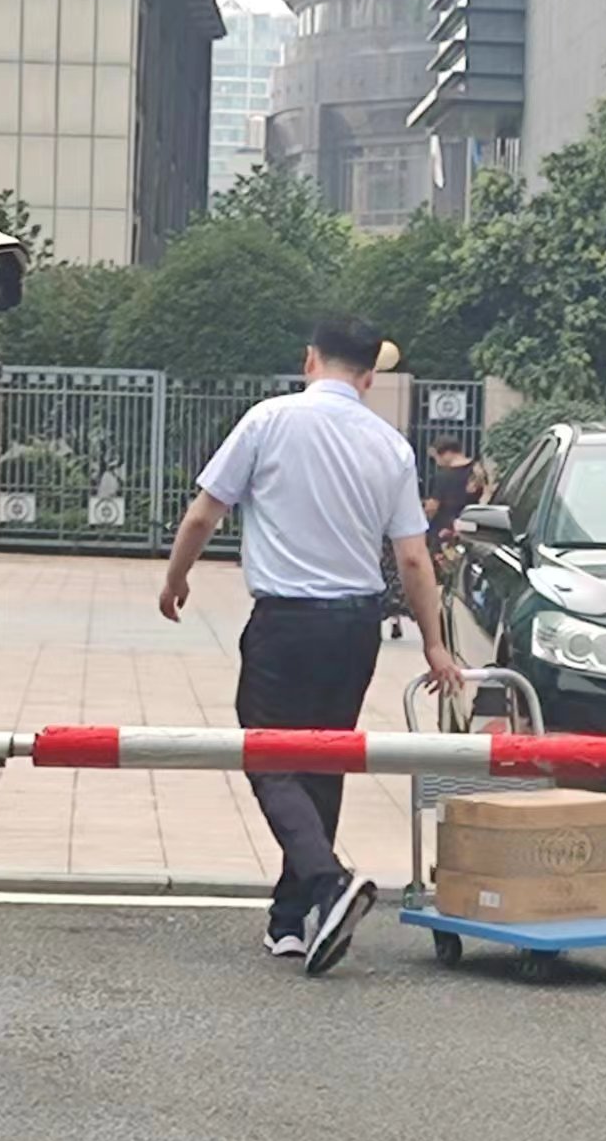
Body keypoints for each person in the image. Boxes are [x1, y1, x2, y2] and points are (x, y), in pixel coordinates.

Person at [160, 317, 463, 977]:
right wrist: (435, 644)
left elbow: (205, 512)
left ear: (309, 361)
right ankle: (291, 921)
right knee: (323, 762)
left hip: (285, 621)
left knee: (269, 757)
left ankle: (327, 883)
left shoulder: (268, 421)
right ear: (369, 377)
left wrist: (176, 577)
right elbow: (413, 559)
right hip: (355, 627)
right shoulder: (390, 446)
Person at [424, 437, 480, 558]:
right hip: (471, 527)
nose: (437, 462)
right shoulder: (477, 471)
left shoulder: (443, 476)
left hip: (444, 530)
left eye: (436, 457)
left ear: (447, 453)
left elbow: (433, 507)